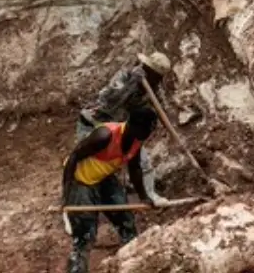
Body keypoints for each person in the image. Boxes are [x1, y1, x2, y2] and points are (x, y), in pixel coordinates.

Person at [61, 107, 159, 273]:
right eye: (146, 130)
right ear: (133, 126)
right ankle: (78, 266)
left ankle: (134, 258)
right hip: (81, 179)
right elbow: (74, 157)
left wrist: (144, 196)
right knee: (85, 233)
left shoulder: (136, 139)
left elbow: (134, 168)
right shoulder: (104, 136)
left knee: (125, 218)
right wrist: (67, 194)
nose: (148, 134)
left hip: (104, 177)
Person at [76, 52, 172, 207]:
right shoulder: (125, 77)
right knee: (89, 164)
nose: (155, 79)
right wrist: (132, 85)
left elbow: (160, 110)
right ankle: (76, 202)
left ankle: (149, 194)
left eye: (157, 77)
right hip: (94, 124)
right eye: (147, 70)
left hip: (120, 129)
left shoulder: (154, 89)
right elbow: (111, 102)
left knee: (142, 160)